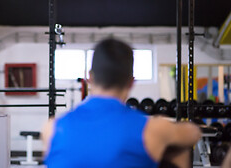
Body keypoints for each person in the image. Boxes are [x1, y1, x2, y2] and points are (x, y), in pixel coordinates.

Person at [42, 38, 202, 168]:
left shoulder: (51, 128)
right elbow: (194, 133)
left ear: (89, 78)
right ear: (131, 82)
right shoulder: (153, 129)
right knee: (177, 150)